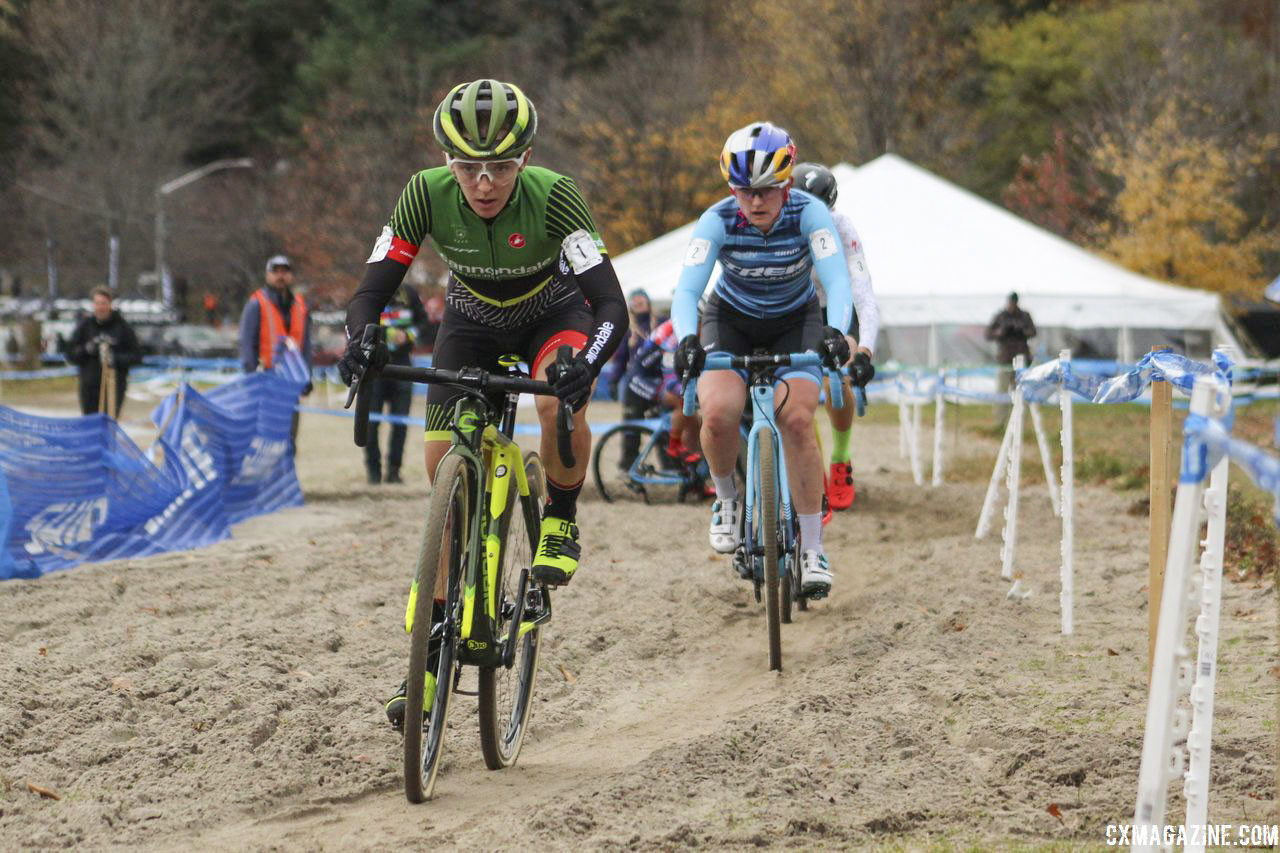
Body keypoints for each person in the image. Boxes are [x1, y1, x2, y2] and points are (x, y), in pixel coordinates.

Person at [336, 79, 628, 729]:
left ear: (523, 159)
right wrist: (361, 336)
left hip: (553, 314)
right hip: (470, 321)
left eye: (499, 165)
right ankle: (432, 656)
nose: (485, 181)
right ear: (449, 163)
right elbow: (371, 289)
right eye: (469, 166)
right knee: (442, 465)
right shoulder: (425, 194)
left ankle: (562, 516)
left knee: (555, 404)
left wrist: (587, 366)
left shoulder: (554, 197)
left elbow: (611, 304)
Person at [671, 121, 858, 596]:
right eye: (744, 191)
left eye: (767, 191)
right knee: (717, 412)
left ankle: (813, 547)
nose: (755, 202)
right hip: (728, 319)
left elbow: (836, 280)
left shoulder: (810, 213)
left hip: (795, 319)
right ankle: (728, 500)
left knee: (797, 421)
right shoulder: (717, 219)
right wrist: (687, 339)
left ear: (787, 184)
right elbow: (689, 287)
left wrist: (835, 331)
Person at [791, 162, 879, 510]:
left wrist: (866, 353)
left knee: (836, 382)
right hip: (801, 312)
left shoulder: (842, 228)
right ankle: (814, 466)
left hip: (838, 310)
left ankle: (841, 458)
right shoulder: (784, 223)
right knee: (800, 392)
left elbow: (863, 292)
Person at [239, 255, 314, 450]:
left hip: (292, 381)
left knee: (289, 439)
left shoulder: (300, 305)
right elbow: (247, 344)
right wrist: (251, 377)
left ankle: (285, 478)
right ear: (267, 275)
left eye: (285, 271)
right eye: (276, 271)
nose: (280, 276)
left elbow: (306, 345)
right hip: (266, 379)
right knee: (265, 438)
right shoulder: (256, 303)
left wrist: (307, 376)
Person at [364, 284, 429, 484]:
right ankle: (373, 473)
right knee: (370, 424)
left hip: (402, 364)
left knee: (400, 424)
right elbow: (359, 322)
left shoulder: (409, 293)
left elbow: (424, 322)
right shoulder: (371, 291)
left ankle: (394, 471)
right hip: (373, 367)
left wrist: (408, 335)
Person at [65, 287, 142, 416]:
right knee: (90, 425)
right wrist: (86, 349)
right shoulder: (84, 326)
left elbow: (137, 356)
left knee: (108, 422)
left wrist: (115, 358)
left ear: (110, 304)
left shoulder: (122, 327)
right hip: (89, 387)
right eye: (97, 303)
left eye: (104, 303)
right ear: (93, 305)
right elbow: (70, 355)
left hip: (114, 386)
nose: (100, 307)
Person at [985, 291, 1036, 408]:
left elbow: (1033, 332)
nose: (1011, 305)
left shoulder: (1024, 316)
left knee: (1020, 390)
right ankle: (1000, 421)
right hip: (1005, 358)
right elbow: (988, 334)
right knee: (1001, 391)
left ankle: (1020, 419)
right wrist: (1000, 332)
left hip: (1021, 358)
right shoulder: (1001, 316)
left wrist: (1022, 331)